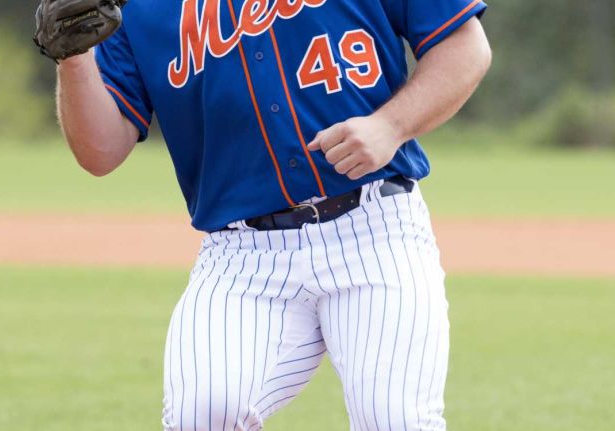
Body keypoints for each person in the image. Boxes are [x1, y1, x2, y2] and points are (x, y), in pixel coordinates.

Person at [55, 0, 491, 429]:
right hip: (241, 255)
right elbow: (101, 150)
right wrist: (73, 59)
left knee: (394, 419)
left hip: (374, 228)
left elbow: (465, 46)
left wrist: (391, 125)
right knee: (202, 414)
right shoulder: (138, 7)